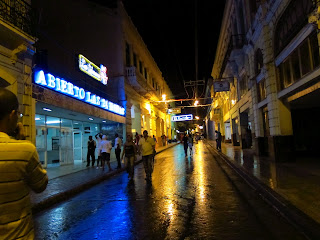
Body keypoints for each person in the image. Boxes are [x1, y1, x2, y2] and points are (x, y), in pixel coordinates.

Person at [0, 88, 48, 239]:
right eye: (19, 114)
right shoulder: (25, 150)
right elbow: (40, 185)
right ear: (12, 115)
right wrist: (22, 142)